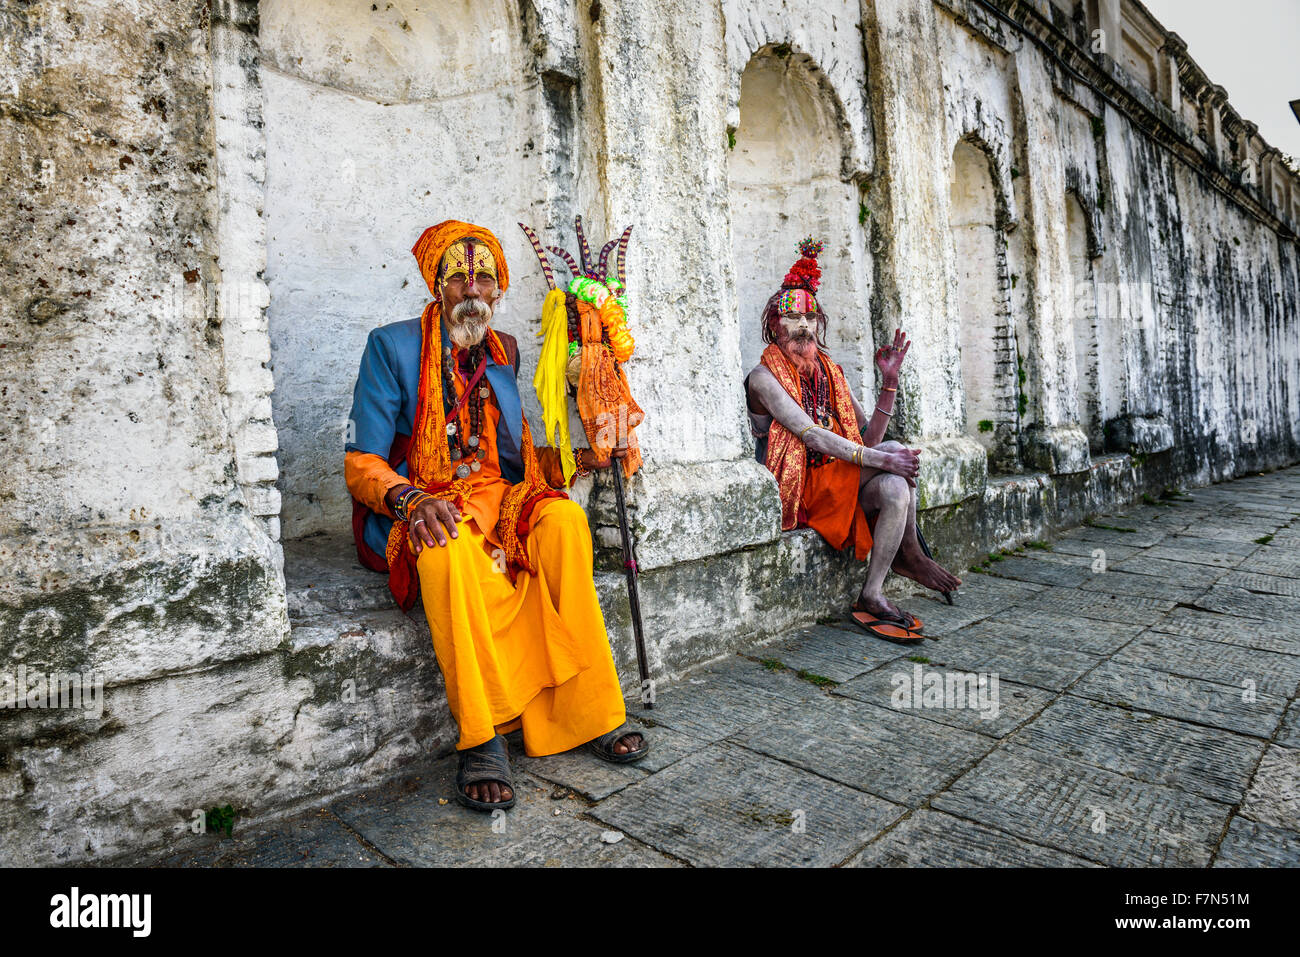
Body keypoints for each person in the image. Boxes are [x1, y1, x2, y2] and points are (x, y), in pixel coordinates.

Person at [344, 220, 647, 813]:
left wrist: (582, 457)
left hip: (496, 496)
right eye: (457, 279)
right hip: (424, 500)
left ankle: (592, 711)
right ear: (437, 285)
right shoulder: (392, 345)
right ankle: (482, 738)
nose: (472, 291)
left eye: (484, 278)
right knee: (448, 547)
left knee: (562, 523)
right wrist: (408, 500)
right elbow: (360, 461)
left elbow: (516, 456)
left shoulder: (504, 347)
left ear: (499, 289)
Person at [744, 239, 961, 642]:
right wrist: (882, 458)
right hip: (801, 489)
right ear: (774, 326)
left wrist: (889, 385)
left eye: (810, 318)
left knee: (895, 485)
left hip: (841, 482)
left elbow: (867, 438)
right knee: (892, 455)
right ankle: (909, 556)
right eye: (792, 318)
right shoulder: (762, 378)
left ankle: (873, 592)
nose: (803, 327)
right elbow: (812, 435)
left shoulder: (830, 371)